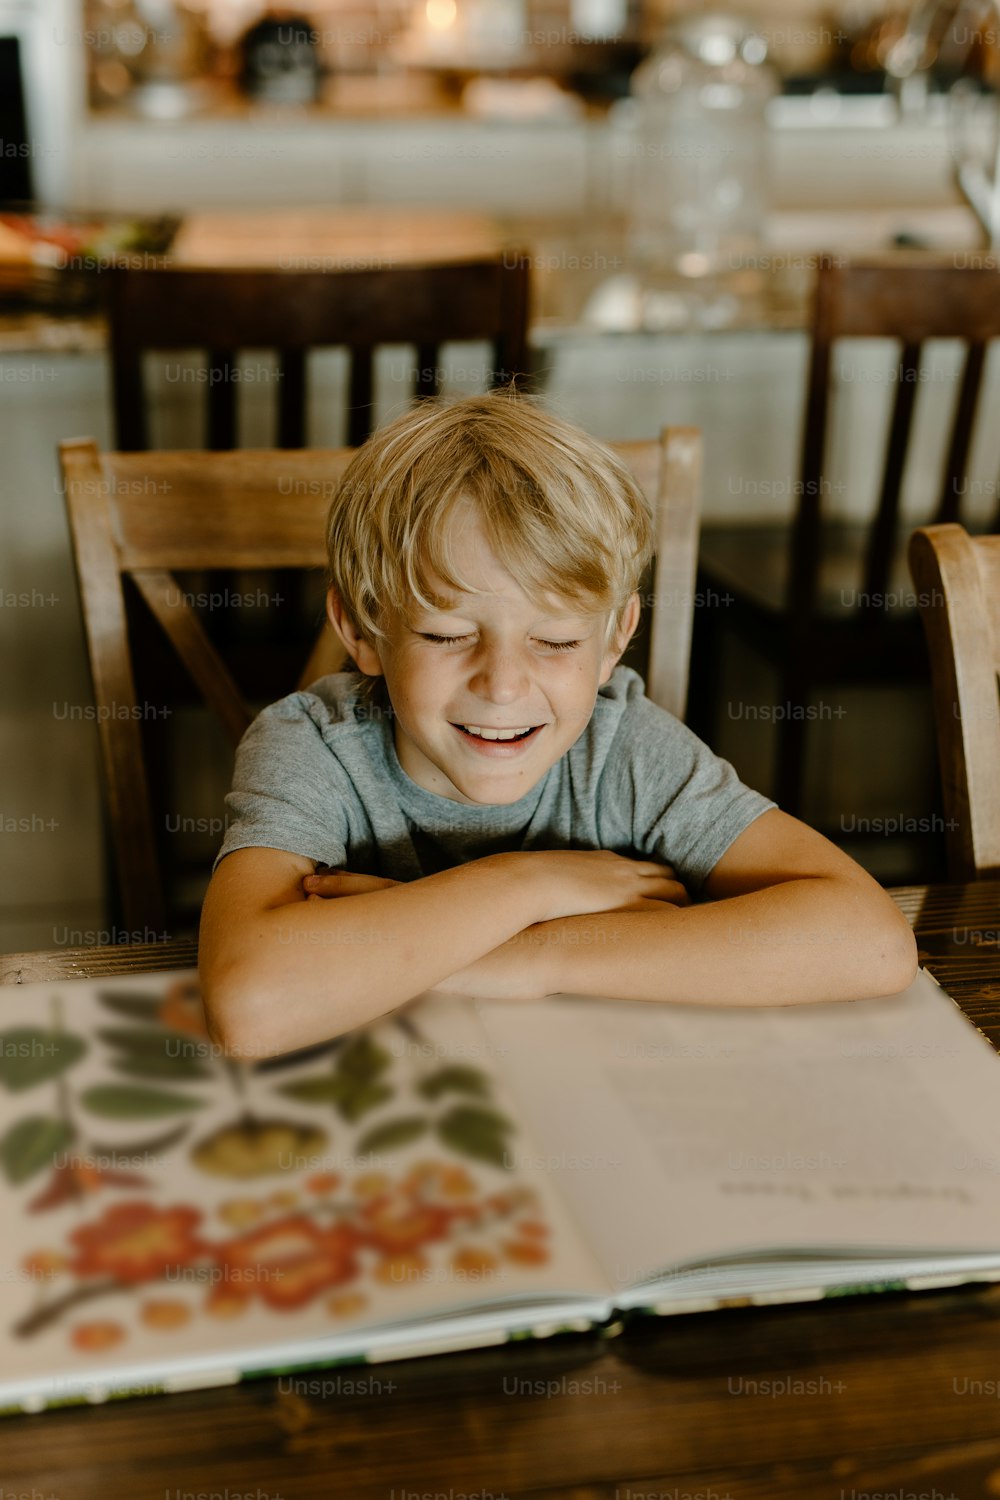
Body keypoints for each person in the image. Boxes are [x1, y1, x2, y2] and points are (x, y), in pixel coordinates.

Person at [198, 390, 917, 1058]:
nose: (504, 684)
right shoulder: (313, 746)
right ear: (360, 630)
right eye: (447, 634)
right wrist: (531, 883)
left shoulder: (623, 746)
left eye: (557, 641)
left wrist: (529, 957)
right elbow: (252, 1005)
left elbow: (872, 943)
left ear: (615, 639)